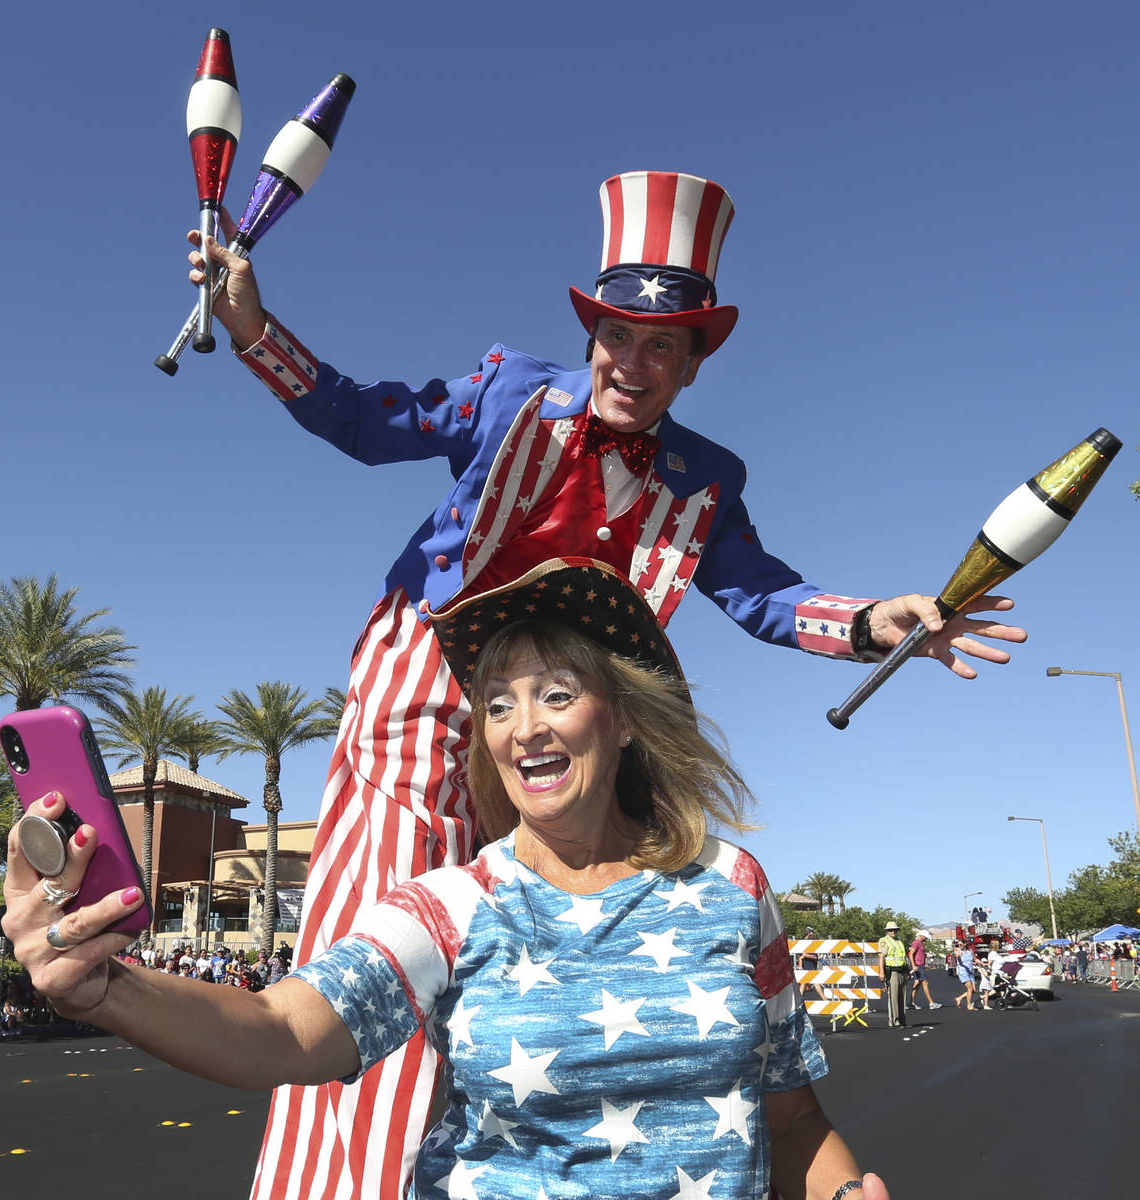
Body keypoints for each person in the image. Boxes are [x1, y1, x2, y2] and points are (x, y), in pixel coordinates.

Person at [190, 170, 1023, 1199]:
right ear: (591, 335)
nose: (632, 361)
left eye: (660, 346)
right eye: (617, 335)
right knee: (382, 961)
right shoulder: (510, 392)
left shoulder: (706, 480)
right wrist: (253, 326)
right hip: (428, 695)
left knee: (566, 968)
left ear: (693, 363)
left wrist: (866, 622)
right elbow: (365, 420)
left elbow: (760, 593)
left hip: (581, 730)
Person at [3, 557, 890, 1200]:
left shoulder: (733, 886)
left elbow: (793, 1121)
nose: (522, 726)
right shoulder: (450, 906)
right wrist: (104, 987)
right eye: (497, 703)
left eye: (556, 693)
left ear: (622, 719)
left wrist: (848, 1192)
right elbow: (282, 1031)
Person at [877, 921, 910, 1028]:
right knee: (893, 998)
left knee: (902, 998)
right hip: (892, 972)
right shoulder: (884, 941)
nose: (893, 932)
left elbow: (903, 957)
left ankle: (902, 1021)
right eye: (891, 930)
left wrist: (907, 971)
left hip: (902, 971)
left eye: (895, 930)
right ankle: (894, 1021)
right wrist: (881, 972)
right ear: (887, 931)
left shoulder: (899, 942)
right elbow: (881, 957)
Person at [907, 931, 942, 1011]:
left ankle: (910, 1003)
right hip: (918, 966)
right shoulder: (916, 943)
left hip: (920, 966)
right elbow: (911, 954)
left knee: (917, 983)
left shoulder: (921, 943)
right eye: (925, 937)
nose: (926, 938)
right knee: (925, 982)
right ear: (922, 936)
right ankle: (931, 1003)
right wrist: (913, 965)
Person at [953, 941, 981, 1010]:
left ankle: (959, 998)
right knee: (970, 988)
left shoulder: (970, 951)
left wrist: (983, 963)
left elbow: (975, 959)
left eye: (961, 944)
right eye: (958, 944)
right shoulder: (957, 950)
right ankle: (969, 1006)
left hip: (970, 972)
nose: (959, 945)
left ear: (965, 944)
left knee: (973, 990)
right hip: (963, 972)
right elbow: (957, 956)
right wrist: (958, 954)